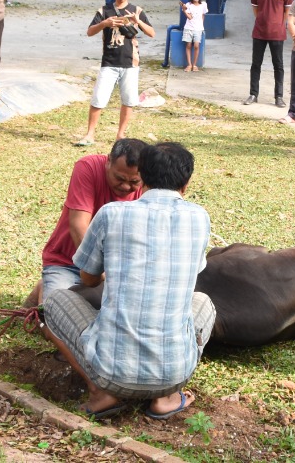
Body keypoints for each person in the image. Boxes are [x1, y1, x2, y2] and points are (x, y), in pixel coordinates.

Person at [40, 142, 214, 420]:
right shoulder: (200, 217)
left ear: (142, 176)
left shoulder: (111, 213)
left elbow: (87, 277)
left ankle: (100, 394)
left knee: (55, 301)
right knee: (203, 302)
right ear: (186, 183)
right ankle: (165, 397)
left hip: (110, 373)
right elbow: (193, 272)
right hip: (173, 375)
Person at [36, 138, 147, 305]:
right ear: (108, 161)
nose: (125, 187)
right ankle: (51, 290)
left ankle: (57, 291)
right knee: (53, 320)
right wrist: (97, 274)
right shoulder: (88, 167)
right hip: (68, 263)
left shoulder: (151, 184)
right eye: (120, 178)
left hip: (117, 271)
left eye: (134, 182)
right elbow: (78, 224)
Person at [77, 0, 154, 145]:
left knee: (128, 100)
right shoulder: (104, 11)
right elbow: (90, 32)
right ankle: (90, 134)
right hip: (109, 62)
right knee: (98, 99)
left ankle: (121, 135)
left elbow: (151, 33)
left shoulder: (137, 10)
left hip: (130, 62)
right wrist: (105, 23)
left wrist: (137, 21)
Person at [246, 0, 294, 107]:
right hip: (259, 33)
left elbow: (287, 11)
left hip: (277, 34)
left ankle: (278, 96)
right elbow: (256, 9)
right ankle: (253, 94)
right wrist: (263, 20)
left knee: (278, 65)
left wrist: (278, 24)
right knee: (256, 64)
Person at [181, 0, 207, 72]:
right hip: (188, 28)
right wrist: (184, 10)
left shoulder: (203, 5)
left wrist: (201, 26)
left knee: (196, 45)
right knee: (188, 45)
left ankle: (194, 64)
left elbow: (203, 15)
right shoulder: (188, 5)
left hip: (198, 29)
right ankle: (189, 64)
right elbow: (190, 17)